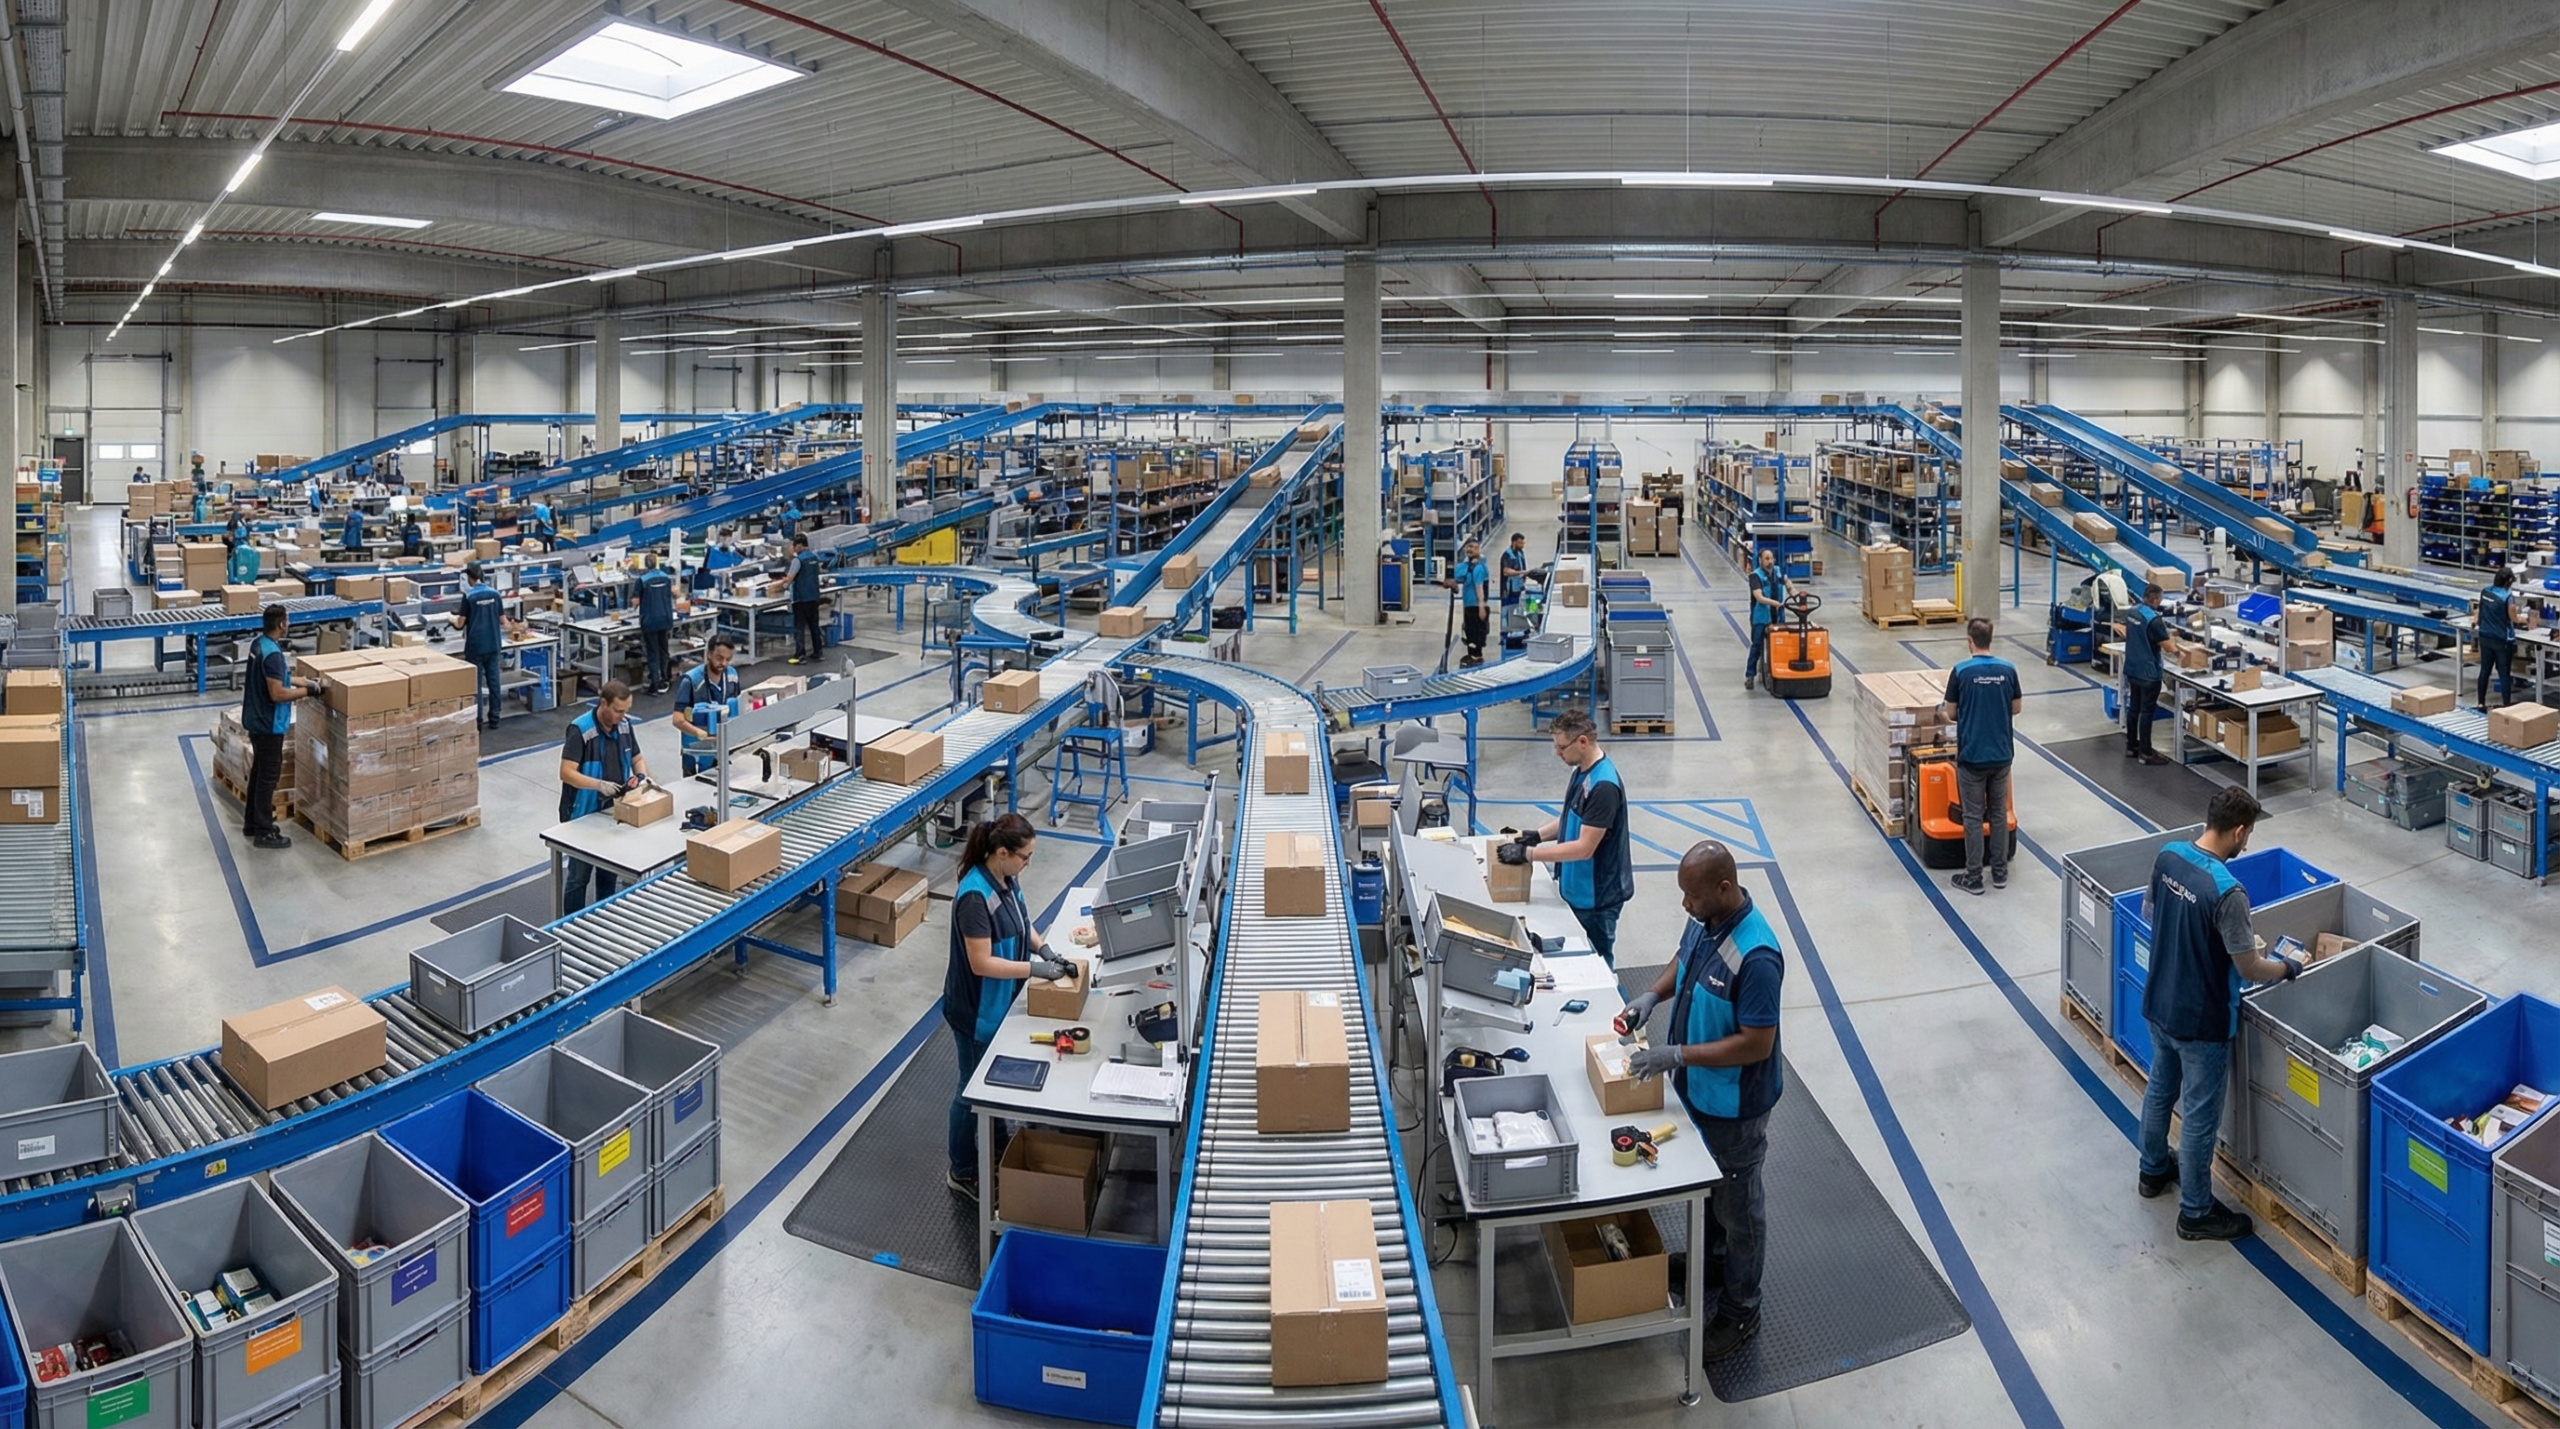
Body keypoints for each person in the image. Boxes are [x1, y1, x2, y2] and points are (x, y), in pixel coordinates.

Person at [1620, 840, 1784, 1362]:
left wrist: (1678, 1055)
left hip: (1735, 1106)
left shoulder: (1756, 955)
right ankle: (1713, 1263)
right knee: (1711, 1188)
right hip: (1698, 1093)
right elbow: (1684, 956)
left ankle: (1741, 1310)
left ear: (1723, 888)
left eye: (1692, 896)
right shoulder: (1705, 918)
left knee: (1741, 1209)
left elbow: (1757, 1043)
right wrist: (1653, 994)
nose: (1685, 906)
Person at [2138, 786, 2302, 1241]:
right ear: (2239, 831)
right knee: (2198, 1117)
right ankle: (2196, 1211)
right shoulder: (2228, 892)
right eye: (2247, 837)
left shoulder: (2169, 855)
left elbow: (2151, 912)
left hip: (2159, 1003)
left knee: (2159, 1091)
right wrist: (2288, 967)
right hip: (2201, 1022)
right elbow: (2248, 968)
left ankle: (2152, 1171)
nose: (2246, 845)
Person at [942, 814, 1070, 1201]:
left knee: (992, 1082)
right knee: (970, 1090)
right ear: (1002, 853)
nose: (1028, 864)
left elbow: (1022, 922)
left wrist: (1044, 948)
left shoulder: (1007, 880)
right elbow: (981, 962)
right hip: (976, 1010)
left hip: (1001, 1007)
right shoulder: (974, 897)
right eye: (1025, 857)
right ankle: (961, 1170)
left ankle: (996, 1144)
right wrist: (1037, 969)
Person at [1510, 708, 1632, 964]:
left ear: (1583, 742)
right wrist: (1537, 836)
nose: (1558, 753)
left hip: (1596, 901)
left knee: (1598, 964)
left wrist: (1529, 855)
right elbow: (1572, 819)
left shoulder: (1604, 786)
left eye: (1562, 747)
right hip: (1577, 893)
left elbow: (1584, 848)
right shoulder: (1583, 773)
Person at [1941, 617, 2023, 895]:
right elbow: (2016, 708)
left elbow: (1951, 714)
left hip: (1972, 756)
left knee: (1973, 816)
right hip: (2001, 755)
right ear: (1991, 638)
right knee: (1998, 812)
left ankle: (1974, 877)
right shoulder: (2008, 669)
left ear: (1969, 641)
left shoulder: (1961, 671)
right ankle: (2000, 873)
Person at [557, 681, 649, 913]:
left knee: (608, 871)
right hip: (582, 814)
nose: (623, 715)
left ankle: (603, 916)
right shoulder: (581, 730)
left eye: (626, 710)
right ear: (603, 704)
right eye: (618, 710)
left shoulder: (625, 726)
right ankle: (571, 924)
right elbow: (566, 773)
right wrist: (598, 785)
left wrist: (641, 777)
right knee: (579, 876)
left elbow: (637, 758)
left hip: (612, 812)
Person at [239, 606, 319, 851]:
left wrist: (302, 681)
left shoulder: (259, 645)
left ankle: (252, 823)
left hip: (255, 719)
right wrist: (308, 692)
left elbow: (277, 677)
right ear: (282, 624)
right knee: (268, 777)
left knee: (259, 772)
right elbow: (277, 693)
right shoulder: (273, 654)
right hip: (268, 724)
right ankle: (263, 832)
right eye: (288, 621)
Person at [672, 636, 743, 776]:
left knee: (721, 784)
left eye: (728, 659)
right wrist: (700, 734)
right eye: (719, 658)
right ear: (708, 655)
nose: (723, 663)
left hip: (722, 745)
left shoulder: (732, 676)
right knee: (693, 788)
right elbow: (677, 719)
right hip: (694, 746)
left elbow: (738, 705)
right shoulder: (691, 681)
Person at [2120, 583, 2171, 765]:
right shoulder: (2154, 620)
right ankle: (2146, 753)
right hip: (2149, 673)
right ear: (2156, 599)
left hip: (2132, 668)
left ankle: (2132, 746)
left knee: (2134, 707)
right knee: (2146, 712)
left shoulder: (2133, 612)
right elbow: (2169, 647)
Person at [453, 563, 507, 728]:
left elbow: (460, 624)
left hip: (475, 646)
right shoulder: (495, 594)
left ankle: (477, 721)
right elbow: (503, 622)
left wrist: (451, 619)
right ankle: (495, 719)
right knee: (494, 681)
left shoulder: (469, 596)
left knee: (475, 684)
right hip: (493, 644)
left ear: (469, 577)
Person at [1743, 547, 1790, 692]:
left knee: (1777, 645)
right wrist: (1775, 603)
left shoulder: (1777, 571)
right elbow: (1759, 597)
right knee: (1757, 645)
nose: (1770, 562)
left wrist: (1794, 592)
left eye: (1771, 558)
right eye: (1766, 559)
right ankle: (1750, 675)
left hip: (1776, 616)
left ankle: (1774, 672)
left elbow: (1787, 583)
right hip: (1760, 616)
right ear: (1760, 560)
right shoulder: (1754, 576)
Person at [1444, 537, 1492, 667]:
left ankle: (1476, 655)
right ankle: (1472, 654)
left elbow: (1479, 587)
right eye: (1469, 547)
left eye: (1474, 547)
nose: (1471, 549)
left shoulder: (1479, 568)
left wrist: (1481, 606)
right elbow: (1458, 576)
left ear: (1479, 550)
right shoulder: (1467, 566)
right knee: (1469, 631)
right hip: (1469, 605)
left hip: (1476, 605)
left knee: (1476, 632)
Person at [635, 554, 677, 695]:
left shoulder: (642, 580)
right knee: (663, 649)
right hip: (665, 618)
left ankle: (655, 684)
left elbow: (635, 602)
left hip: (650, 621)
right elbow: (672, 594)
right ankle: (665, 678)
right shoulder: (666, 578)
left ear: (646, 565)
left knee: (653, 652)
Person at [2479, 566, 2520, 710]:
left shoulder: (2485, 592)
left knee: (2485, 670)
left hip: (2484, 636)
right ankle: (2506, 704)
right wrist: (2527, 620)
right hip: (2501, 639)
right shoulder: (2508, 596)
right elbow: (2513, 618)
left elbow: (2480, 612)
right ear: (2508, 581)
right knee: (2504, 672)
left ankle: (2480, 703)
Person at [785, 533, 825, 665]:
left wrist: (778, 585)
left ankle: (800, 655)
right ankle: (818, 652)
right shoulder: (815, 557)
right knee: (814, 626)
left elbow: (790, 578)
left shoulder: (798, 560)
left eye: (794, 546)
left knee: (800, 628)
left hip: (800, 599)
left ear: (800, 546)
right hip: (813, 596)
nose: (793, 549)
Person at [1499, 532, 1530, 611]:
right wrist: (1521, 572)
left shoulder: (1520, 553)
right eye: (1520, 543)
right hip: (1509, 590)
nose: (1523, 545)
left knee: (1519, 608)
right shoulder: (1507, 554)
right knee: (1507, 611)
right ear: (1514, 542)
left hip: (1519, 588)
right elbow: (1506, 571)